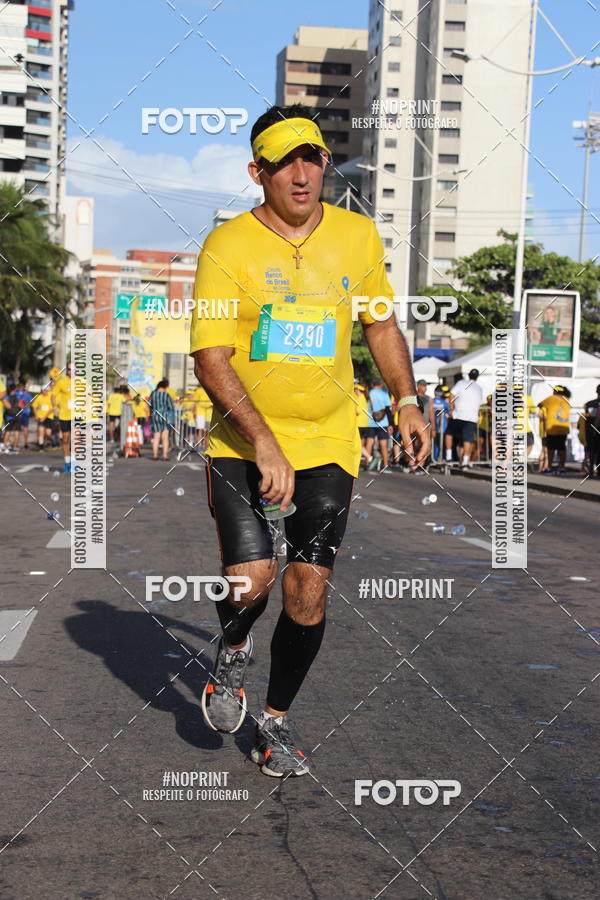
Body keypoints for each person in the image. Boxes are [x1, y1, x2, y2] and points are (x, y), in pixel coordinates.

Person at [190, 103, 428, 778]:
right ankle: (234, 644)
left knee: (306, 591)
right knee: (251, 580)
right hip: (243, 444)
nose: (301, 174)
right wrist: (262, 442)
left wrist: (406, 401)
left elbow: (380, 326)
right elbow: (211, 358)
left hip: (329, 439)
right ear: (257, 172)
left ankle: (275, 723)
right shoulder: (228, 246)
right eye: (284, 161)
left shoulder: (357, 238)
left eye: (313, 158)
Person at [447, 368, 483, 468]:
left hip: (458, 415)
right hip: (471, 418)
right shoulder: (479, 388)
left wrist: (451, 407)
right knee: (467, 440)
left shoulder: (461, 383)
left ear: (469, 375)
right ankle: (465, 462)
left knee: (449, 434)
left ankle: (449, 457)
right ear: (477, 377)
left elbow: (451, 395)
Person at [538, 385, 571, 474]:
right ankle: (562, 467)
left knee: (551, 449)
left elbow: (539, 404)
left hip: (552, 428)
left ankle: (549, 467)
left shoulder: (551, 398)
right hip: (564, 428)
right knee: (562, 449)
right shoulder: (567, 400)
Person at [365, 378, 393, 472]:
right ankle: (385, 465)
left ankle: (367, 463)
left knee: (369, 442)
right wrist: (390, 424)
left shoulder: (369, 392)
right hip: (383, 422)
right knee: (383, 444)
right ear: (381, 384)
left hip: (371, 421)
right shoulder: (384, 394)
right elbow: (388, 409)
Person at [50, 364, 73, 473]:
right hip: (64, 415)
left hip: (77, 415)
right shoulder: (61, 382)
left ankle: (74, 462)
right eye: (69, 369)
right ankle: (67, 462)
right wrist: (56, 407)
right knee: (65, 439)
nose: (71, 371)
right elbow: (53, 396)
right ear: (67, 370)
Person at [149, 379, 175, 460]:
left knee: (156, 436)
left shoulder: (153, 394)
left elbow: (149, 404)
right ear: (165, 387)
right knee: (165, 437)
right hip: (165, 416)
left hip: (155, 416)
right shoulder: (166, 395)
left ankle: (155, 455)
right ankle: (164, 455)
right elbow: (171, 407)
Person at [583, 383, 600, 477]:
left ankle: (591, 472)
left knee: (592, 450)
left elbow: (586, 418)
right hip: (595, 428)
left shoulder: (589, 404)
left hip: (591, 430)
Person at [32, 385, 55, 450]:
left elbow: (52, 409)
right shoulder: (39, 397)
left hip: (49, 417)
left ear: (48, 390)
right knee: (41, 431)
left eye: (45, 390)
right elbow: (34, 406)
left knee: (48, 433)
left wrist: (44, 417)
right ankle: (41, 446)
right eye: (43, 390)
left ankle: (52, 441)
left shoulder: (51, 397)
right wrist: (36, 415)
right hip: (40, 417)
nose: (44, 391)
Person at [432, 386, 450, 461]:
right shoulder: (444, 403)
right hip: (443, 426)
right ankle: (442, 458)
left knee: (434, 443)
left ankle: (434, 458)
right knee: (442, 443)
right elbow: (448, 414)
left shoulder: (431, 401)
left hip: (433, 426)